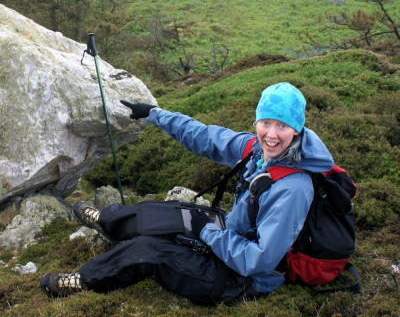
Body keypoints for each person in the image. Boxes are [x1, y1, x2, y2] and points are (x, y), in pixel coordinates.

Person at [40, 82, 334, 305]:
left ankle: (83, 280)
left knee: (150, 251)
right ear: (257, 122)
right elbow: (203, 136)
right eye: (266, 122)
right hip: (230, 234)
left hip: (242, 278)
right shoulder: (256, 150)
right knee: (162, 213)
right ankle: (107, 222)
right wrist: (155, 114)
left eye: (282, 125)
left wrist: (208, 235)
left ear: (296, 129)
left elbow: (260, 260)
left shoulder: (293, 188)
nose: (271, 134)